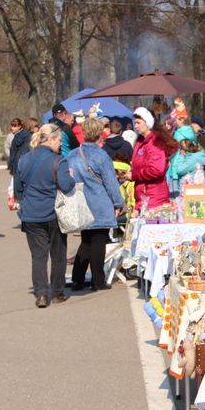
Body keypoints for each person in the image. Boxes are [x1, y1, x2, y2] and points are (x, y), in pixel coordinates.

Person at [15, 124, 75, 307]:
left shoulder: (24, 159)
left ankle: (41, 293)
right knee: (58, 254)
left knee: (38, 256)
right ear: (51, 139)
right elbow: (66, 186)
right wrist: (71, 177)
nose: (60, 144)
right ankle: (57, 292)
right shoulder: (59, 160)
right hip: (53, 213)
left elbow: (18, 188)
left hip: (31, 214)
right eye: (59, 140)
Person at [63, 118, 124, 292]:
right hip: (99, 203)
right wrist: (118, 202)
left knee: (86, 241)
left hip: (81, 202)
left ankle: (77, 278)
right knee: (98, 242)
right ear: (99, 134)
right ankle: (98, 280)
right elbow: (110, 183)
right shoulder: (101, 156)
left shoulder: (73, 155)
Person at [129, 107, 177, 211]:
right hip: (143, 197)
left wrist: (134, 175)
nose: (135, 126)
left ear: (148, 122)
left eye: (138, 123)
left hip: (154, 198)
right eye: (135, 123)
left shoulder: (155, 143)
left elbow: (156, 169)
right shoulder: (140, 141)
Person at [167, 124, 205, 197]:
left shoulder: (194, 159)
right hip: (190, 192)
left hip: (190, 194)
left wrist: (181, 156)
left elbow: (179, 170)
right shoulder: (194, 156)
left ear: (184, 148)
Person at [190, 115, 205, 184]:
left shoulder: (204, 137)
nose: (191, 127)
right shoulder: (196, 136)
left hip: (204, 171)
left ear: (197, 125)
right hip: (199, 171)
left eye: (193, 124)